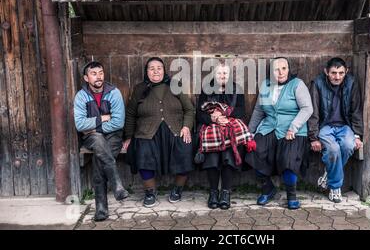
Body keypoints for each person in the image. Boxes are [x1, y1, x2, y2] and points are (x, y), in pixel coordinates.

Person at [123, 57, 195, 207]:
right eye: (152, 68)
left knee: (185, 149)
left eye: (159, 68)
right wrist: (129, 137)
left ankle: (177, 188)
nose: (156, 71)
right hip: (146, 132)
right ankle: (150, 191)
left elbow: (189, 109)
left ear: (164, 70)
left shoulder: (175, 85)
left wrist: (186, 126)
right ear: (146, 72)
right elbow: (130, 114)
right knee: (142, 151)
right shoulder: (139, 89)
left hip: (176, 130)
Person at [246, 57, 313, 209]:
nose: (280, 72)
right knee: (253, 150)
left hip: (292, 131)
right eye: (277, 69)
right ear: (272, 72)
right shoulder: (265, 86)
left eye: (284, 68)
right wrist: (249, 133)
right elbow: (258, 111)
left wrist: (293, 127)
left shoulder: (297, 84)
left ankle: (291, 195)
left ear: (288, 70)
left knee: (289, 159)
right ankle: (268, 188)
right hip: (269, 128)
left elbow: (307, 108)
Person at [74, 61, 129, 222]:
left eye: (100, 73)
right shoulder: (81, 96)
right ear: (86, 77)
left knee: (99, 158)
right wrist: (103, 118)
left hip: (114, 136)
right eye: (93, 73)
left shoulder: (114, 93)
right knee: (98, 140)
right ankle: (117, 184)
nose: (98, 77)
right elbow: (80, 125)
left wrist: (94, 126)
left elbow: (118, 123)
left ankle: (101, 209)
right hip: (91, 138)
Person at [196, 63, 256, 210]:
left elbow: (241, 111)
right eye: (219, 74)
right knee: (212, 153)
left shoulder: (237, 89)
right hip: (211, 127)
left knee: (228, 151)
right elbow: (199, 113)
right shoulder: (207, 89)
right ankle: (213, 192)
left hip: (231, 127)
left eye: (225, 74)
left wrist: (223, 116)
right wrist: (213, 119)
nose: (222, 76)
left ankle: (225, 192)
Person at [308, 57, 363, 203]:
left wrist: (357, 135)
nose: (337, 77)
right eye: (333, 73)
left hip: (345, 127)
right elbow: (313, 111)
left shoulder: (352, 83)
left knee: (348, 145)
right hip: (325, 126)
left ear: (347, 72)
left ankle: (328, 174)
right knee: (333, 150)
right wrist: (313, 137)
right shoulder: (317, 84)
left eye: (341, 73)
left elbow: (356, 110)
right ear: (326, 71)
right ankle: (335, 187)